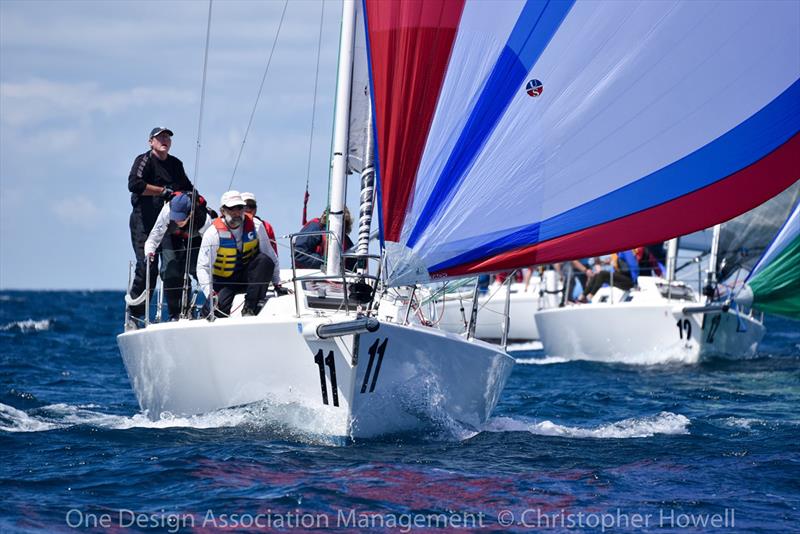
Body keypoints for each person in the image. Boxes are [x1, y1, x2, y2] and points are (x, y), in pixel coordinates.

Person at [127, 127, 194, 326]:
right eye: (160, 137)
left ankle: (177, 314)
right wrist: (162, 192)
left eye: (167, 137)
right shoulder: (144, 160)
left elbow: (188, 188)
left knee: (174, 266)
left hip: (168, 225)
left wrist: (201, 204)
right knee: (147, 268)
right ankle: (135, 315)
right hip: (144, 224)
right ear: (151, 142)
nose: (164, 140)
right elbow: (134, 184)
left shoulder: (175, 164)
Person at [196, 191, 287, 317]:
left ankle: (249, 308)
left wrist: (277, 283)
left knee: (264, 261)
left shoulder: (256, 226)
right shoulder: (212, 233)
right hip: (224, 281)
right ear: (222, 211)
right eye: (231, 209)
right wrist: (210, 293)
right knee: (216, 310)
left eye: (240, 208)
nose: (237, 212)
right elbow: (202, 267)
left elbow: (270, 255)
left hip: (247, 276)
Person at [144, 193, 213, 320]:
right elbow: (153, 238)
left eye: (181, 218)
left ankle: (212, 306)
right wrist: (149, 252)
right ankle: (174, 314)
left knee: (199, 269)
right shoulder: (166, 212)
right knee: (170, 270)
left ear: (190, 213)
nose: (177, 221)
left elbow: (212, 245)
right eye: (175, 217)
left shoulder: (204, 220)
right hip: (171, 237)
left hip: (197, 238)